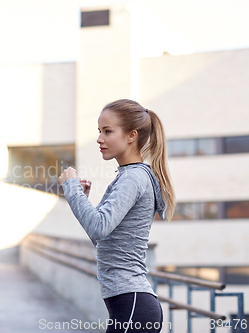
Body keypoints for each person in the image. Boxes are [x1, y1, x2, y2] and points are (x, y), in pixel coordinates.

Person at [58, 99, 176, 333]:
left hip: (132, 304)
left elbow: (98, 228)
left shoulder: (133, 178)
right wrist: (82, 199)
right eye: (99, 131)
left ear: (131, 135)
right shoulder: (129, 176)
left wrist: (71, 188)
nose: (99, 139)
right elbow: (103, 239)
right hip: (130, 304)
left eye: (108, 131)